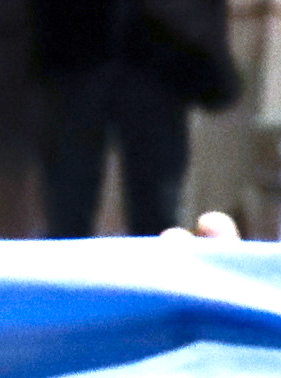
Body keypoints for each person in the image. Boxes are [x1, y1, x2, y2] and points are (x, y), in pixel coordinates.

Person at [30, 0, 238, 238]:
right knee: (68, 199)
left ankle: (157, 270)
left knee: (157, 208)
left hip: (158, 52)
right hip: (76, 46)